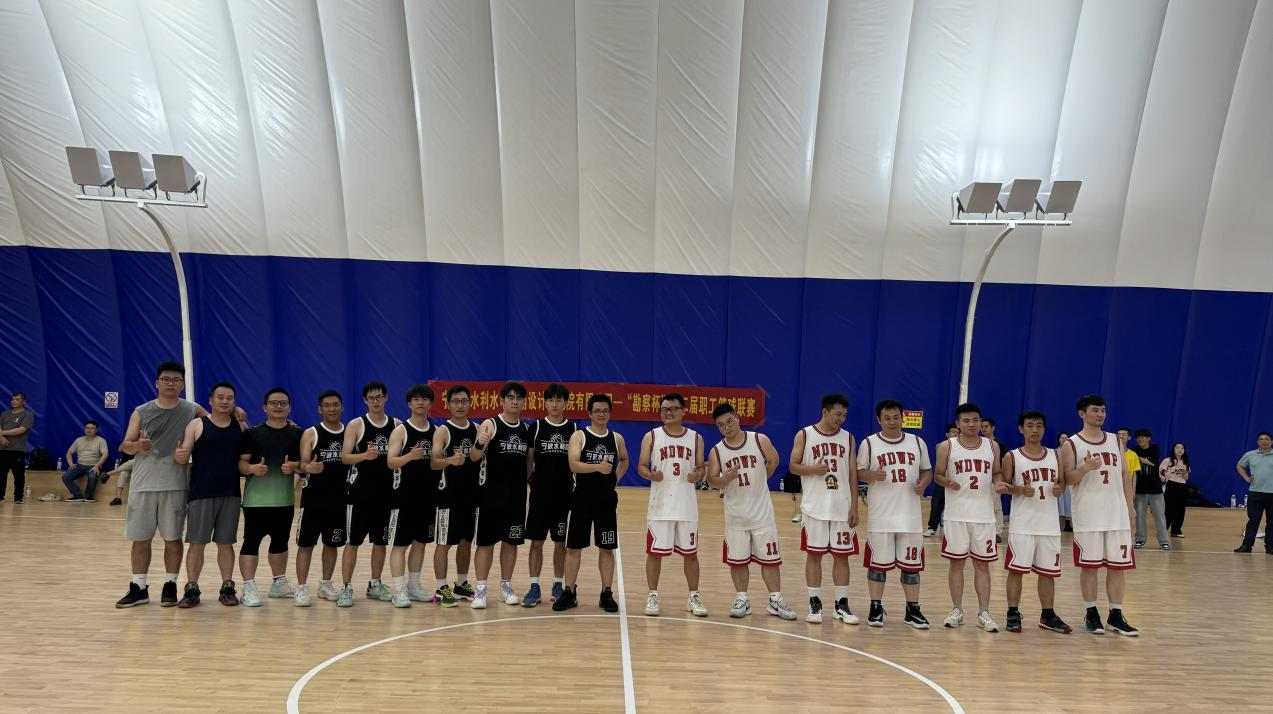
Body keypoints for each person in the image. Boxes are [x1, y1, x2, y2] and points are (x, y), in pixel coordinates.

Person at [116, 361, 206, 608]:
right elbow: (125, 445)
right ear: (157, 383)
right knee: (140, 539)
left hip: (175, 484)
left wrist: (236, 411)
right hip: (143, 485)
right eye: (166, 379)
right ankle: (139, 587)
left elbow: (215, 423)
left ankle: (170, 584)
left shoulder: (191, 409)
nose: (171, 383)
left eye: (176, 380)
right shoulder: (141, 411)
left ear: (182, 384)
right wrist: (137, 446)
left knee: (172, 538)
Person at [705, 402, 796, 621]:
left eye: (729, 421)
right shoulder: (717, 451)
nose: (727, 427)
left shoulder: (759, 440)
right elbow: (711, 481)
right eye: (721, 425)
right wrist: (726, 479)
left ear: (737, 418)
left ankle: (775, 600)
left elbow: (774, 460)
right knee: (737, 561)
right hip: (736, 516)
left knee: (770, 560)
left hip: (762, 514)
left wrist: (761, 478)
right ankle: (742, 599)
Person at [1059, 394, 1138, 636]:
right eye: (1095, 410)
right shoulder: (1072, 444)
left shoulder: (1115, 440)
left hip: (1116, 513)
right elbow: (1067, 479)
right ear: (1082, 414)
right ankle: (1091, 613)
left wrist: (1130, 506)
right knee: (1090, 567)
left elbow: (1124, 474)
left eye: (1103, 410)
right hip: (1088, 515)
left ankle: (1116, 615)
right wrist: (1085, 468)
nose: (1100, 414)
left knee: (1118, 567)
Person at [856, 400, 932, 629]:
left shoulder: (917, 442)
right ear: (879, 420)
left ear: (902, 418)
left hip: (910, 516)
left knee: (911, 567)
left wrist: (924, 484)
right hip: (881, 516)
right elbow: (858, 472)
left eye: (896, 417)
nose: (892, 422)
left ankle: (912, 609)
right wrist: (871, 475)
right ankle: (875, 607)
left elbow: (927, 470)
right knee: (877, 566)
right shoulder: (869, 443)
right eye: (887, 418)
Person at [173, 383, 248, 608]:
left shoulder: (241, 426)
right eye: (220, 397)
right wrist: (179, 456)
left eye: (229, 398)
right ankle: (191, 589)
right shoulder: (197, 424)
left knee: (226, 543)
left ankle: (227, 588)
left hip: (231, 493)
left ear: (234, 401)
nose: (225, 401)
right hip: (201, 493)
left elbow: (248, 456)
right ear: (210, 400)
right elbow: (183, 455)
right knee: (197, 544)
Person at [789, 393, 860, 625]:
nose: (841, 419)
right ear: (825, 412)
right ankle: (814, 602)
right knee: (814, 555)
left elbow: (853, 473)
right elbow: (793, 466)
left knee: (842, 556)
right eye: (838, 414)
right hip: (815, 507)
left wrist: (855, 507)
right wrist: (812, 470)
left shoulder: (848, 438)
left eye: (845, 415)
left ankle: (841, 605)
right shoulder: (805, 434)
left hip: (841, 507)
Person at [553, 393, 628, 612]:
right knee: (573, 548)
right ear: (589, 413)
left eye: (605, 411)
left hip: (606, 502)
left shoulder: (616, 438)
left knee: (607, 548)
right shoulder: (580, 436)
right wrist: (598, 467)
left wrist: (614, 478)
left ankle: (606, 592)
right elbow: (573, 464)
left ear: (610, 413)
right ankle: (569, 592)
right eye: (597, 411)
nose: (601, 414)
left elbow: (624, 460)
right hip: (581, 501)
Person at [1001, 410, 1071, 635]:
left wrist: (1060, 488)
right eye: (1030, 425)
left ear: (1044, 429)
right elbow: (1003, 486)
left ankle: (1047, 614)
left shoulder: (1055, 455)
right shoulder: (1012, 456)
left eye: (1039, 425)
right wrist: (1019, 489)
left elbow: (1061, 482)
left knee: (1048, 572)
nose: (1035, 429)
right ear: (1021, 429)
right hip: (1023, 524)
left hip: (1049, 524)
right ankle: (1013, 612)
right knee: (1016, 570)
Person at [638, 392, 707, 617]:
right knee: (654, 553)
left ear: (683, 411)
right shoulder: (652, 436)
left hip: (686, 506)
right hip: (660, 506)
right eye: (664, 410)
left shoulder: (696, 438)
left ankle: (693, 596)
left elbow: (701, 468)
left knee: (691, 554)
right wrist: (651, 475)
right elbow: (641, 466)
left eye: (673, 409)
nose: (668, 413)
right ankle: (652, 595)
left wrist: (697, 475)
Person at [935, 402, 1001, 632]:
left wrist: (999, 483)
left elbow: (997, 472)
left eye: (975, 420)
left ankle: (984, 612)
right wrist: (947, 482)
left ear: (981, 422)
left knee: (982, 565)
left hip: (984, 516)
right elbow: (937, 475)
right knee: (957, 564)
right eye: (966, 420)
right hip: (956, 515)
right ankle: (957, 609)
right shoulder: (947, 446)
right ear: (958, 423)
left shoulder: (992, 446)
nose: (972, 424)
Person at [236, 388, 304, 607]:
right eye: (273, 403)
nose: (278, 406)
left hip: (284, 500)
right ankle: (248, 587)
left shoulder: (298, 434)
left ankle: (278, 583)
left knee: (280, 542)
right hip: (256, 501)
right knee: (251, 542)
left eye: (283, 403)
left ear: (289, 407)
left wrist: (295, 466)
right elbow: (241, 463)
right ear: (265, 407)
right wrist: (252, 469)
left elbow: (306, 464)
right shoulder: (253, 434)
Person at [468, 382, 533, 609]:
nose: (515, 401)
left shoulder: (526, 429)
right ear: (502, 400)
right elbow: (474, 457)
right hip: (490, 496)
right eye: (511, 397)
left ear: (523, 402)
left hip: (515, 497)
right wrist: (479, 444)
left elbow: (528, 464)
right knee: (485, 544)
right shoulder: (491, 424)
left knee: (511, 543)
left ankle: (506, 587)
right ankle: (480, 590)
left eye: (519, 398)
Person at [340, 381, 401, 606]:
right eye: (371, 398)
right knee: (352, 542)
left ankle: (375, 584)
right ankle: (346, 587)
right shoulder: (356, 425)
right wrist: (364, 456)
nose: (375, 401)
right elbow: (345, 457)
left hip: (386, 494)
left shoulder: (397, 425)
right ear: (365, 401)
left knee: (380, 542)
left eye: (379, 397)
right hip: (359, 494)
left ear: (386, 398)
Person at [384, 385, 441, 608]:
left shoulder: (436, 431)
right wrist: (409, 456)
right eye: (416, 399)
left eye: (425, 399)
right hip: (403, 497)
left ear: (430, 403)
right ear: (409, 403)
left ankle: (413, 587)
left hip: (428, 497)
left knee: (420, 543)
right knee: (400, 545)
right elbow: (391, 462)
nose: (420, 402)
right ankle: (399, 591)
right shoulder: (401, 430)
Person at [523, 383, 577, 606]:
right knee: (536, 543)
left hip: (564, 497)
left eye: (559, 400)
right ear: (545, 403)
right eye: (551, 400)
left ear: (566, 403)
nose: (555, 404)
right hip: (540, 497)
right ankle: (534, 586)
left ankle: (557, 583)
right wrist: (529, 483)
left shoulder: (574, 429)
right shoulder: (535, 427)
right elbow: (529, 461)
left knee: (560, 543)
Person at [296, 390, 349, 606]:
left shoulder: (350, 432)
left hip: (339, 499)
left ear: (342, 407)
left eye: (335, 405)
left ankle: (325, 584)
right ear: (320, 409)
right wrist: (308, 467)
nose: (332, 409)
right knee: (305, 545)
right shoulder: (311, 433)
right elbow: (302, 463)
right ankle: (301, 588)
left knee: (332, 544)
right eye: (327, 405)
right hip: (313, 499)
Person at [430, 384, 480, 606]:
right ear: (448, 404)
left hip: (471, 495)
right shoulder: (443, 431)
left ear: (470, 403)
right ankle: (441, 588)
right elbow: (434, 462)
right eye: (455, 401)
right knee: (444, 543)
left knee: (465, 542)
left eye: (464, 401)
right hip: (448, 496)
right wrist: (450, 460)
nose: (460, 405)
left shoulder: (477, 428)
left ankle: (461, 584)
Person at [1127, 428, 1168, 550]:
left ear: (1149, 438)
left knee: (1159, 516)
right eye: (1138, 437)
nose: (1140, 439)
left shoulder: (1154, 448)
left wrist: (1136, 457)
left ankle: (1164, 541)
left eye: (1143, 437)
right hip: (1140, 489)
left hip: (1155, 489)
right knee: (1140, 516)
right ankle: (1140, 540)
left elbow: (1152, 462)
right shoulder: (1133, 450)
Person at [1234, 432, 1273, 554]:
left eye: (1267, 439)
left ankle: (1270, 546)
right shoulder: (1250, 455)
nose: (1264, 441)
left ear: (1271, 442)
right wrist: (1246, 478)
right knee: (1253, 520)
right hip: (1255, 493)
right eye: (1261, 439)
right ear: (1257, 442)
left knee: (1272, 521)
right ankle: (1247, 545)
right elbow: (1240, 466)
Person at [924, 423, 959, 537]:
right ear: (947, 434)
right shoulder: (941, 446)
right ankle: (932, 528)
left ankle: (953, 529)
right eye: (953, 432)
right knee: (936, 505)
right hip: (942, 480)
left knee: (956, 505)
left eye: (957, 432)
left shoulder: (963, 446)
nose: (955, 434)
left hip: (957, 481)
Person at [61, 419, 108, 502]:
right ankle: (78, 496)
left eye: (92, 428)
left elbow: (105, 454)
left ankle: (88, 496)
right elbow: (69, 453)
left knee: (93, 476)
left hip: (93, 466)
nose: (89, 430)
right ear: (84, 429)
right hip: (79, 465)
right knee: (65, 477)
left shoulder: (101, 440)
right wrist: (71, 463)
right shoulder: (78, 440)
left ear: (96, 430)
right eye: (87, 428)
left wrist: (97, 466)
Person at [0, 392, 35, 504]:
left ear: (23, 402)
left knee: (18, 474)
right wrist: (1, 437)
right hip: (2, 449)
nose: (14, 401)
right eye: (12, 399)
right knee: (1, 474)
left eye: (17, 399)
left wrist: (3, 433)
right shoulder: (5, 414)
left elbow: (21, 430)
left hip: (17, 449)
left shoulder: (27, 414)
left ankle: (18, 497)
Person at [981, 418, 1009, 539]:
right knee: (981, 506)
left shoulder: (1000, 445)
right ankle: (983, 531)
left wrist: (1000, 480)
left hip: (994, 480)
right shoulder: (978, 444)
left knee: (996, 506)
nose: (983, 429)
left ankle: (997, 532)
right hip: (980, 479)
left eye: (986, 426)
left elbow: (1004, 464)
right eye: (982, 426)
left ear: (993, 428)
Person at [1159, 442, 1190, 537]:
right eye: (1177, 447)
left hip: (1182, 486)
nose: (1180, 449)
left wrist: (1184, 472)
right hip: (1171, 485)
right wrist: (1162, 478)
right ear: (1174, 449)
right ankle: (1163, 530)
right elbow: (1159, 471)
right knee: (1169, 508)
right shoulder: (1167, 460)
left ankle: (1176, 530)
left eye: (1182, 448)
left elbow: (1186, 478)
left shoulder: (1185, 462)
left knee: (1180, 509)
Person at [1056, 432, 1073, 532]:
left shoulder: (1072, 452)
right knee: (1059, 502)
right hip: (1058, 480)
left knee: (1068, 502)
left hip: (1069, 479)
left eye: (1066, 438)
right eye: (1062, 438)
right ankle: (1058, 525)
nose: (1064, 439)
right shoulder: (1055, 452)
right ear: (1059, 440)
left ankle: (1068, 524)